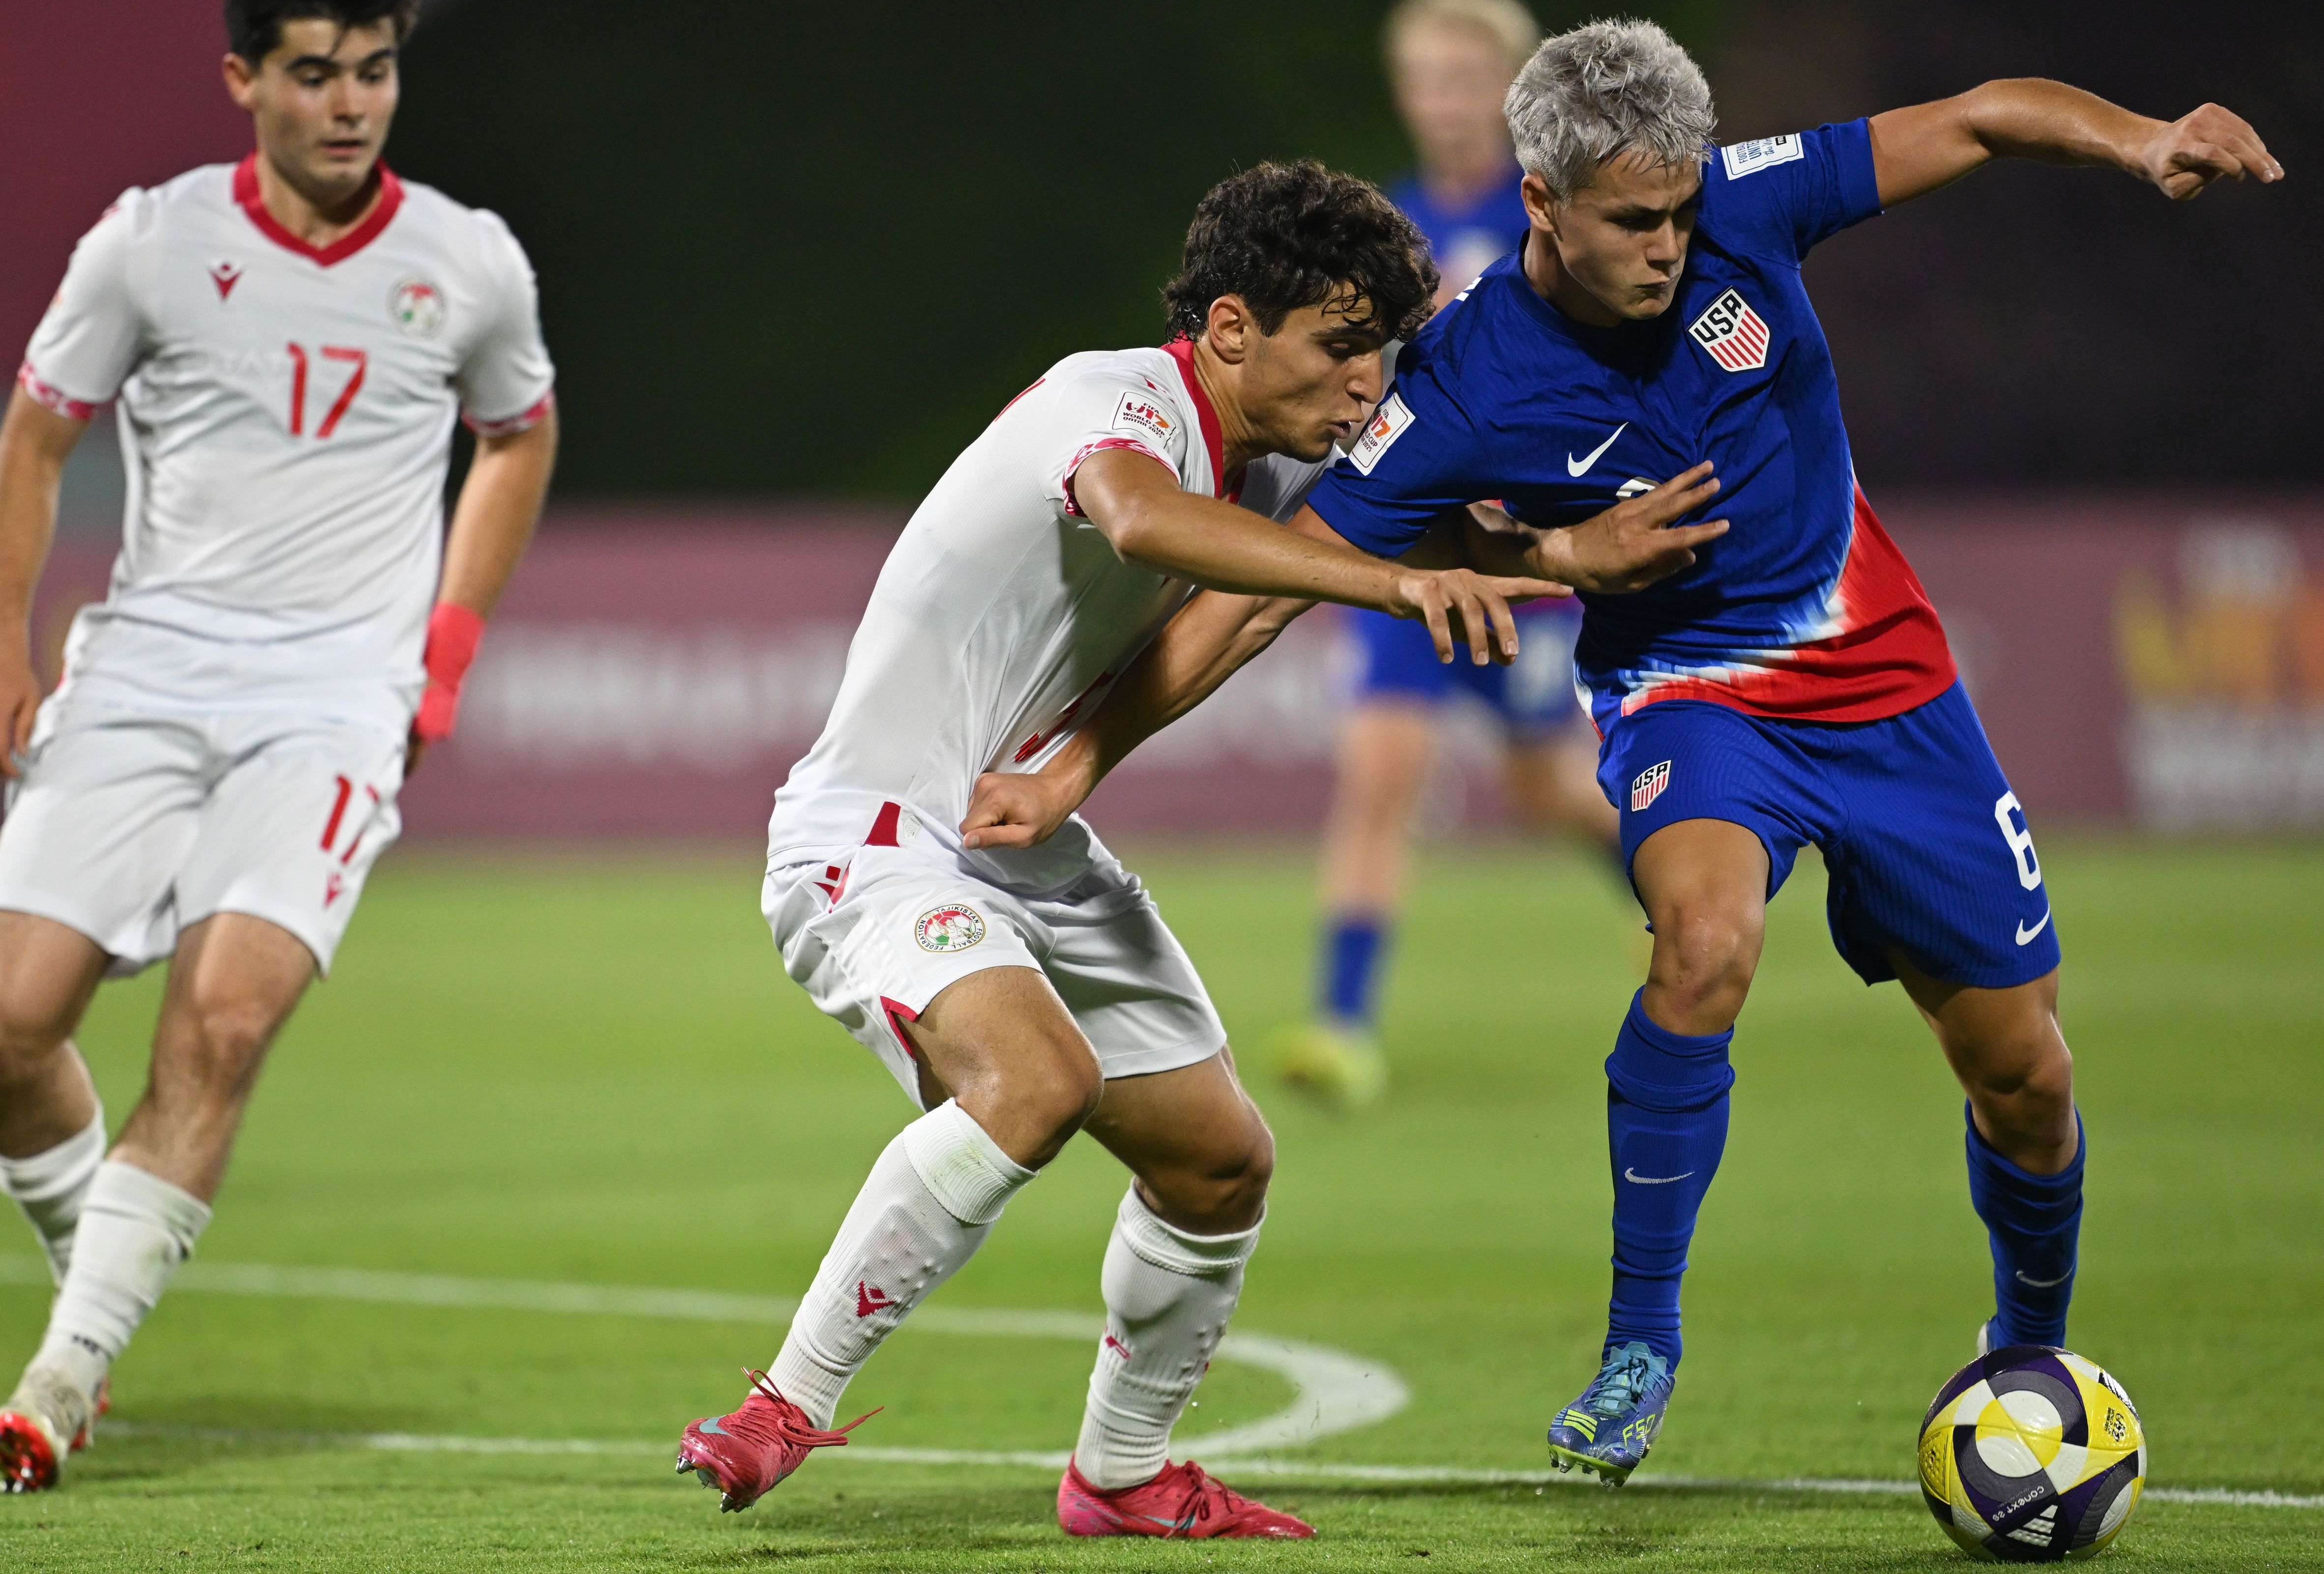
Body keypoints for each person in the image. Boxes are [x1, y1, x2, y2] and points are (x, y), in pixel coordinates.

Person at [961, 19, 2276, 1490]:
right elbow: (1262, 590)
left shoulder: (1748, 201)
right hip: (1686, 692)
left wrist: (2143, 138)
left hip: (1887, 680)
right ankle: (1640, 1342)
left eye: (1678, 211)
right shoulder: (1461, 383)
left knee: (2021, 1070)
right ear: (1542, 201)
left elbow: (1977, 116)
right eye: (1634, 220)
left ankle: (2028, 1351)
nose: (1669, 243)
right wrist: (1080, 759)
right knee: (1704, 945)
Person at [678, 160, 1715, 1540]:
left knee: (1220, 1164)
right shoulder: (1113, 401)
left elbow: (1412, 537)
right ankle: (780, 1406)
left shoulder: (1272, 459)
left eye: (1382, 352)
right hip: (876, 834)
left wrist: (1566, 559)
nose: (1367, 384)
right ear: (1230, 328)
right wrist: (1395, 583)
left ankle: (1121, 1476)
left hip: (1024, 839)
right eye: (1340, 347)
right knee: (1035, 1083)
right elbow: (1144, 520)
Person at [0, 0, 558, 1492]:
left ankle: (62, 1377)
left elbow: (517, 435)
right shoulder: (149, 244)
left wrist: (444, 650)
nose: (351, 105)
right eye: (314, 73)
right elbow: (33, 442)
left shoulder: (468, 260)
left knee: (222, 1020)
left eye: (375, 72)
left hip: (335, 702)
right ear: (244, 81)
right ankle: (103, 1275)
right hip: (145, 673)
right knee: (3, 1020)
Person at [1282, 0, 1614, 1110]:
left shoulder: (1559, 222)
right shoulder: (1383, 230)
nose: (1445, 100)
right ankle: (1343, 1027)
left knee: (1547, 791)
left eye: (1467, 78)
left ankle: (1690, 900)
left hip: (1522, 561)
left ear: (1513, 91)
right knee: (1379, 778)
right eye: (1426, 79)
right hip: (1406, 553)